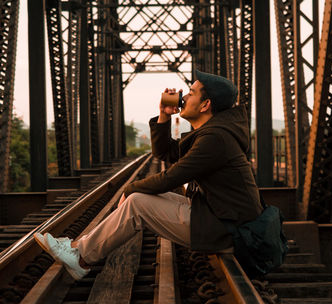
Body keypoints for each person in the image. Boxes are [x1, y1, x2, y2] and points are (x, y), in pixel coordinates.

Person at [34, 70, 263, 280]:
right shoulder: (213, 132)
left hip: (231, 231)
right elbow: (166, 152)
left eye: (191, 93)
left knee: (137, 203)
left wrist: (129, 188)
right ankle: (78, 248)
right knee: (137, 199)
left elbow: (171, 177)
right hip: (222, 219)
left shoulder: (215, 138)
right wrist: (164, 115)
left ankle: (81, 258)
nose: (183, 97)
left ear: (205, 105)